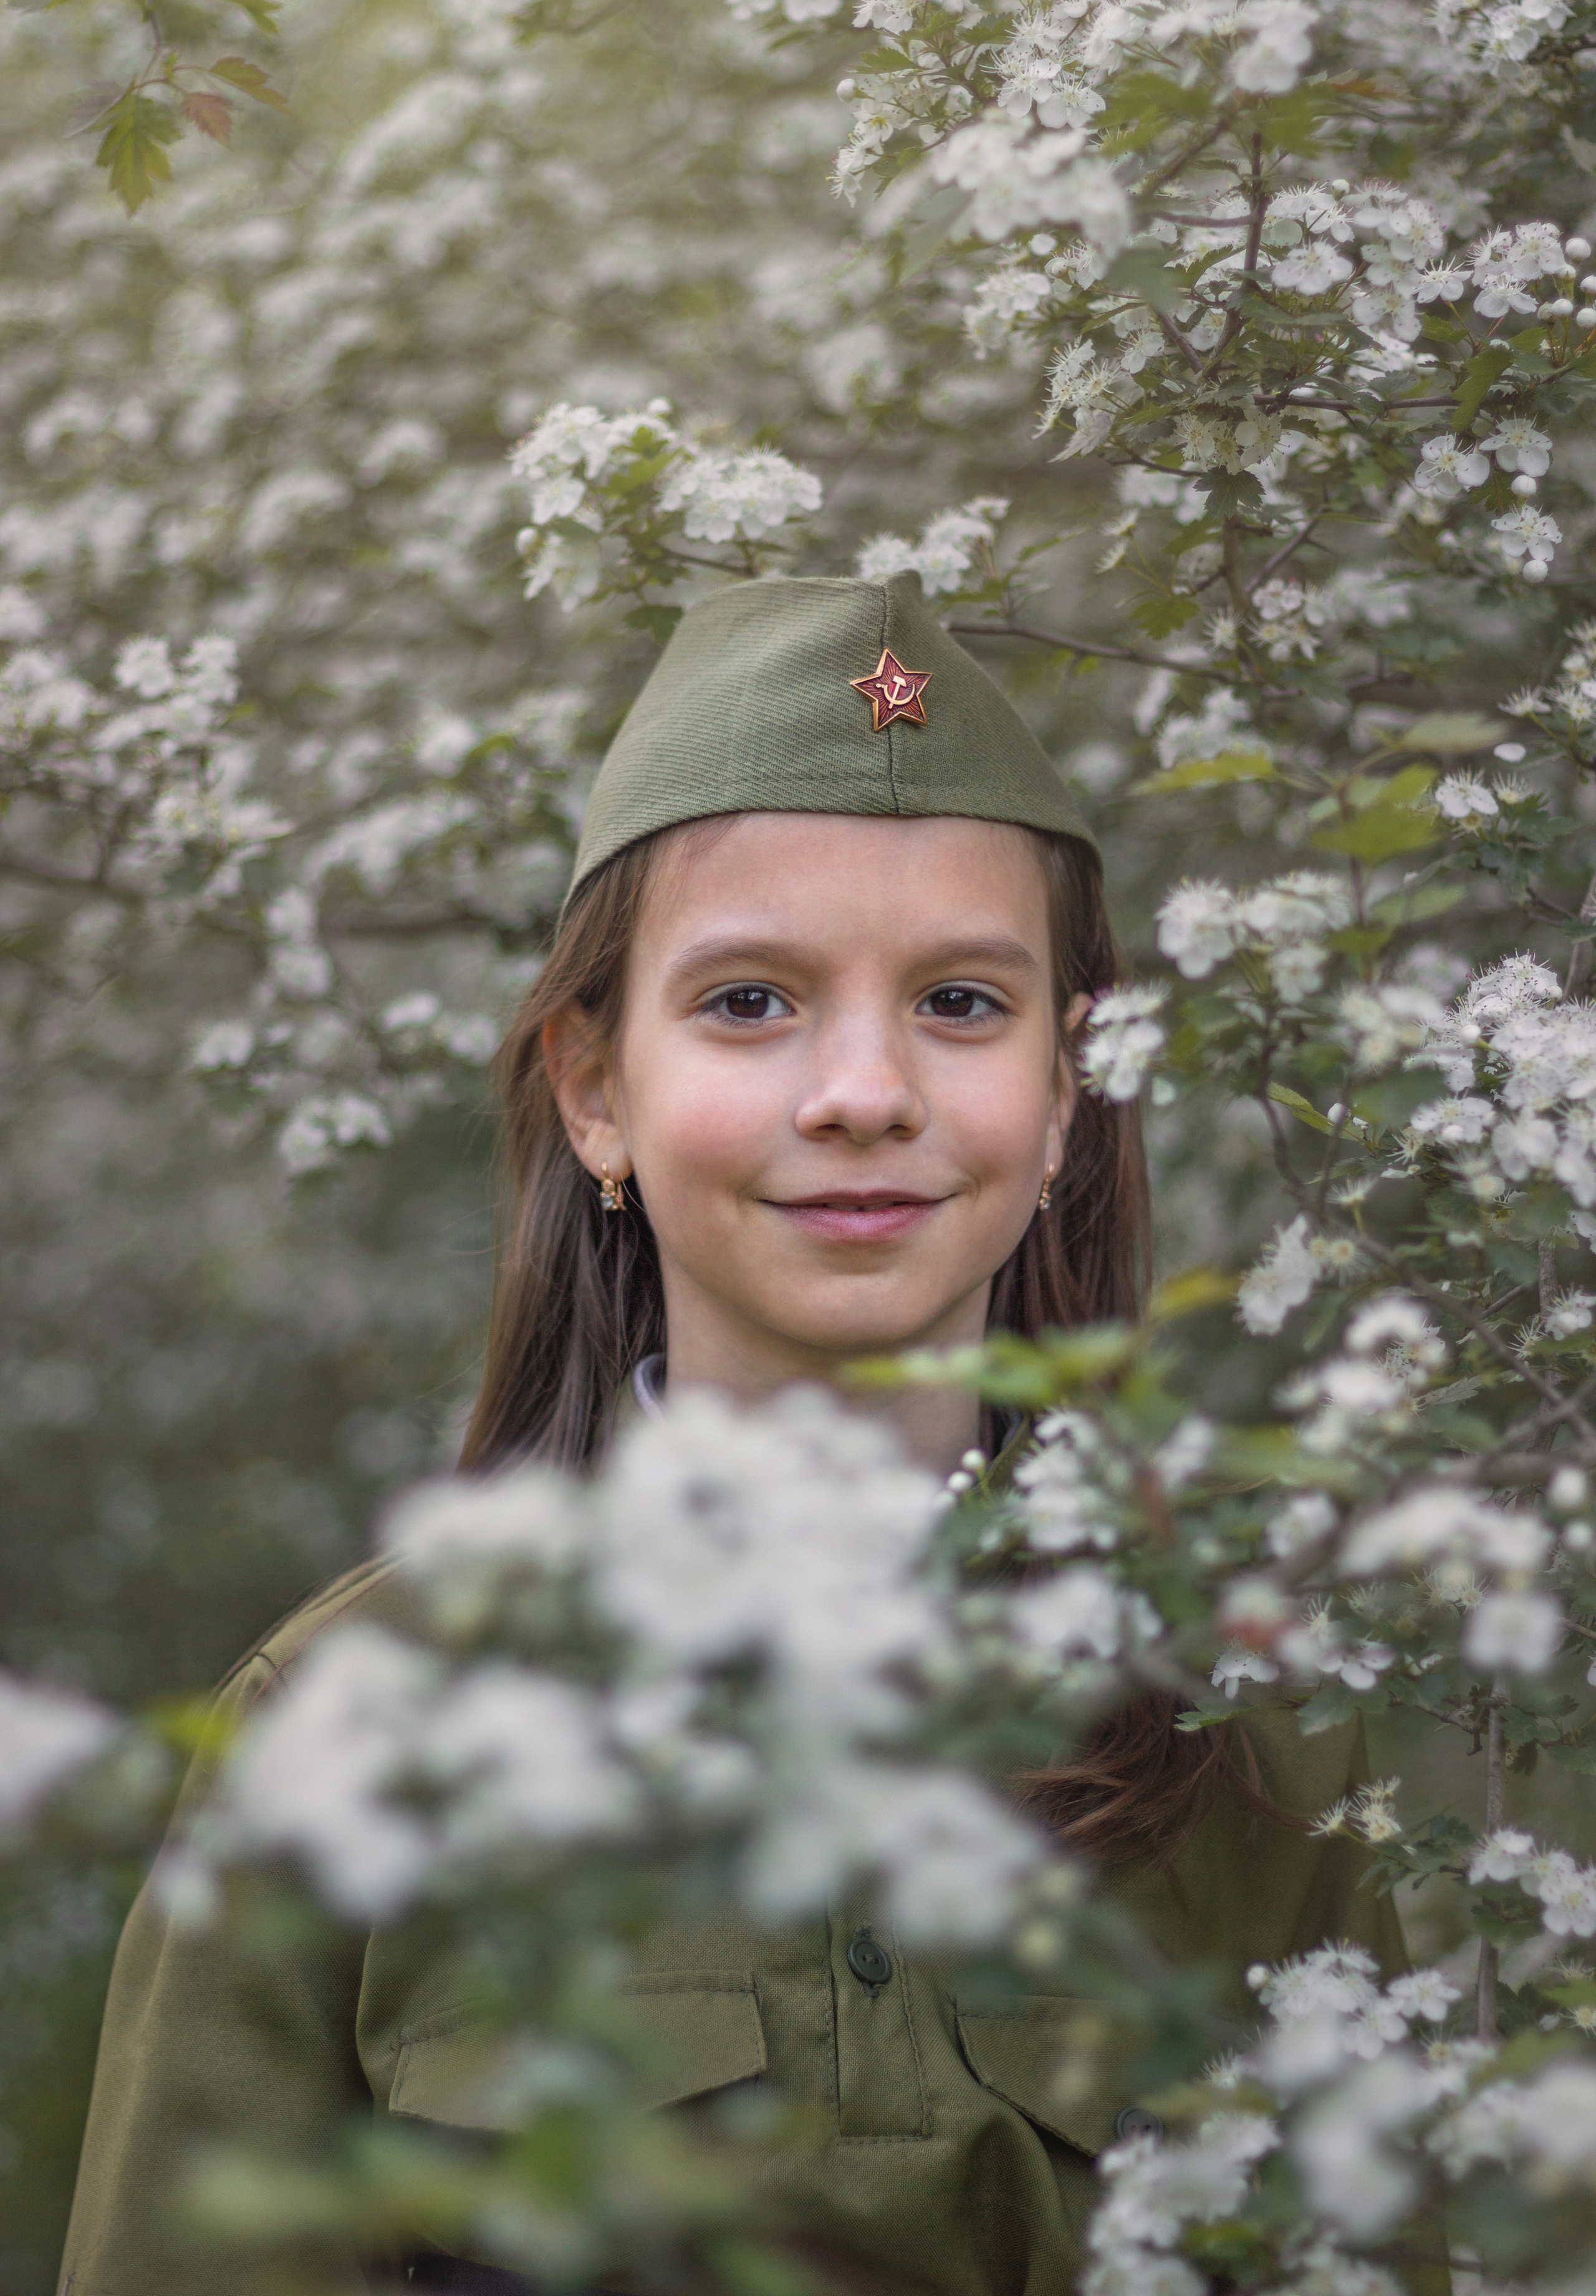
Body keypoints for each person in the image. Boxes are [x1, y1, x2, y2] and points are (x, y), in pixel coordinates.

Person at [61, 573, 1430, 2296]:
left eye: (961, 1003)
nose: (863, 1093)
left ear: (1067, 1095)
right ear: (595, 1090)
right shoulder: (351, 1732)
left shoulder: (1250, 1733)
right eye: (749, 1003)